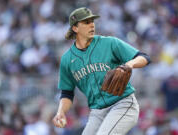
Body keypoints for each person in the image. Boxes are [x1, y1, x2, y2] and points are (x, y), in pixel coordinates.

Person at [52, 7, 151, 135]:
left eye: (92, 21)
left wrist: (129, 64)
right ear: (75, 28)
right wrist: (60, 112)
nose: (92, 25)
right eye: (86, 22)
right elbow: (67, 93)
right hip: (97, 112)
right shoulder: (67, 59)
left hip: (123, 104)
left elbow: (144, 57)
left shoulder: (109, 43)